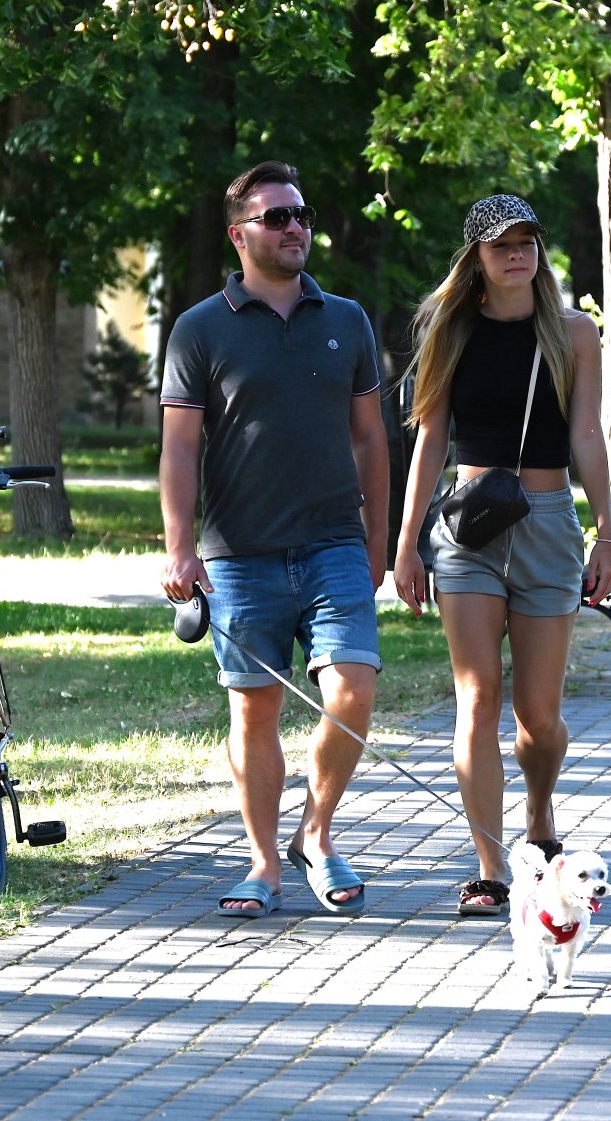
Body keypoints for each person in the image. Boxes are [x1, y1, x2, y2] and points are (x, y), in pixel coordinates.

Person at [158, 160, 390, 919]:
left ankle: (316, 835)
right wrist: (180, 547)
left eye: (303, 215)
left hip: (334, 546)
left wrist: (380, 540)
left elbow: (370, 440)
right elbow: (181, 448)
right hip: (238, 554)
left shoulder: (347, 320)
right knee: (253, 711)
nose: (297, 228)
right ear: (239, 235)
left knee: (353, 690)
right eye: (278, 217)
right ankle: (263, 862)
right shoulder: (199, 328)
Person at [392, 194, 611, 918]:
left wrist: (608, 529)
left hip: (550, 523)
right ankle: (491, 866)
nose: (516, 254)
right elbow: (428, 439)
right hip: (468, 530)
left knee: (538, 718)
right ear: (477, 258)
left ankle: (540, 814)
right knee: (477, 695)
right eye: (500, 245)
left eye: (527, 241)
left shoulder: (574, 332)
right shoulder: (449, 330)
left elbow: (587, 435)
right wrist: (406, 543)